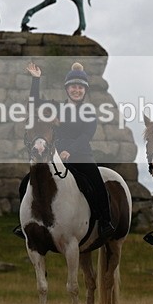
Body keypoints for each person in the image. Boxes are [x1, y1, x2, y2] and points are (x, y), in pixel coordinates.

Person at [20, 61, 115, 239]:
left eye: (80, 87)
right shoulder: (56, 107)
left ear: (84, 90)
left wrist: (69, 151)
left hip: (81, 155)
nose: (76, 90)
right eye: (73, 87)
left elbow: (85, 136)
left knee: (96, 182)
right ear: (67, 89)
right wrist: (36, 80)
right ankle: (26, 223)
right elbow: (34, 103)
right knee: (26, 183)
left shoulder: (89, 112)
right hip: (55, 155)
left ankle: (105, 222)